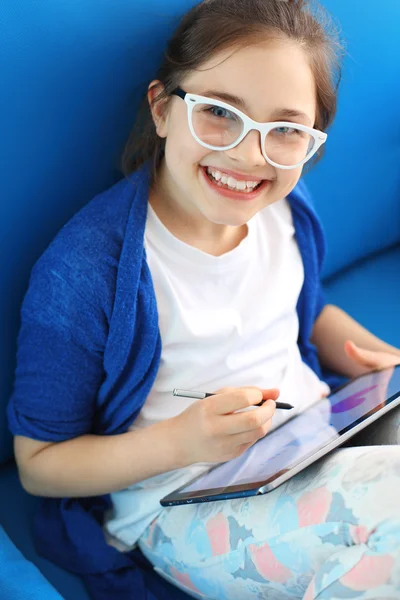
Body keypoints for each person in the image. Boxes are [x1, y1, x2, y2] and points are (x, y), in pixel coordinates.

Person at [7, 0, 400, 598]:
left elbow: (304, 307)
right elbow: (38, 466)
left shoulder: (287, 212)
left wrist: (368, 358)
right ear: (163, 109)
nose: (249, 156)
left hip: (312, 443)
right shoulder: (86, 274)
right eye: (220, 114)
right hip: (186, 505)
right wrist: (181, 441)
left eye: (285, 132)